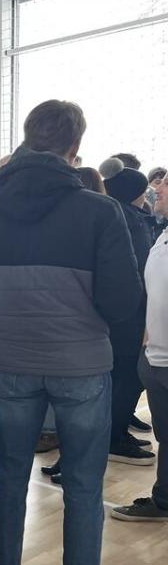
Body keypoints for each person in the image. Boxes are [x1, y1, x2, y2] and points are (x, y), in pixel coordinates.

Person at [0, 99, 141, 565]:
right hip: (83, 364)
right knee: (83, 483)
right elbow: (124, 302)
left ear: (28, 139)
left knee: (8, 473)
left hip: (11, 363)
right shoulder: (100, 212)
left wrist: (7, 294)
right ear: (76, 147)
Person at [113, 175, 168, 528]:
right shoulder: (161, 234)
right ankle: (164, 499)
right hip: (156, 356)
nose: (157, 189)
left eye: (166, 185)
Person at [96, 157, 157, 466]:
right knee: (129, 376)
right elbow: (142, 271)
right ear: (137, 193)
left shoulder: (110, 215)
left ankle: (115, 430)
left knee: (118, 377)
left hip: (113, 313)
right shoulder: (133, 222)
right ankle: (114, 437)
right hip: (131, 315)